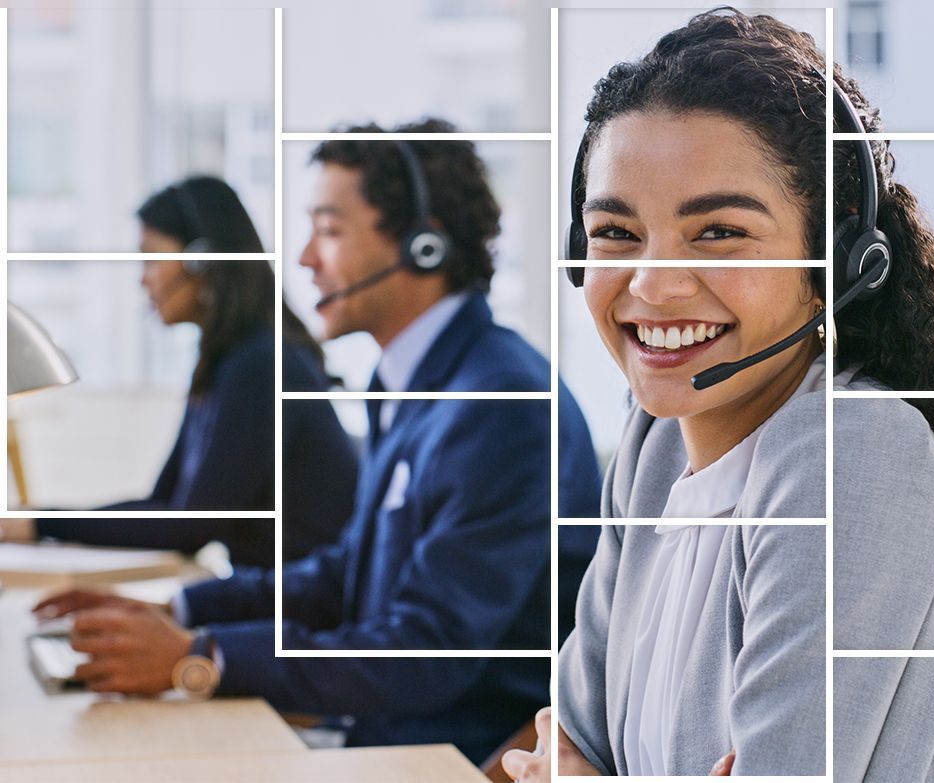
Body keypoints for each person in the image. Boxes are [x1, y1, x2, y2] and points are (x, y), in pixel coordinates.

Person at [538, 8, 934, 781]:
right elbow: (567, 738)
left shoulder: (853, 451)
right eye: (614, 232)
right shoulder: (656, 440)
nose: (653, 284)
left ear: (835, 261)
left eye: (719, 232)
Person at [34, 123, 602, 765]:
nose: (304, 259)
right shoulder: (409, 382)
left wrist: (203, 658)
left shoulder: (501, 406)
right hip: (375, 733)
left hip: (440, 758)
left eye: (328, 231)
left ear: (423, 245)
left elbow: (424, 655)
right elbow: (344, 573)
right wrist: (180, 609)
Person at [0, 177, 358, 568]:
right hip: (264, 590)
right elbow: (165, 504)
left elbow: (189, 526)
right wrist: (39, 519)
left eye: (151, 258)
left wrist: (44, 523)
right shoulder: (224, 362)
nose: (143, 278)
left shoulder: (262, 365)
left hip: (298, 599)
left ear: (200, 261)